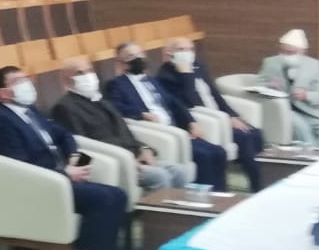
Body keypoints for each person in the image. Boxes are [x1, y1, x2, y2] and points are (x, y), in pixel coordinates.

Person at [0, 66, 129, 250]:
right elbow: (20, 167)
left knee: (118, 195)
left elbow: (63, 134)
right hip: (39, 188)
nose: (26, 83)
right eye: (17, 81)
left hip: (59, 179)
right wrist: (63, 173)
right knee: (102, 200)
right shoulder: (1, 121)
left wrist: (73, 156)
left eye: (25, 78)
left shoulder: (30, 111)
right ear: (2, 93)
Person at [50, 57, 194, 191]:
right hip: (115, 162)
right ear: (67, 80)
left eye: (90, 70)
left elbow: (124, 131)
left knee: (179, 171)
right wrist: (127, 160)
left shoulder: (102, 101)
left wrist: (143, 148)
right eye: (80, 73)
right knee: (159, 176)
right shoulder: (65, 107)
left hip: (133, 155)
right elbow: (82, 145)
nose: (88, 76)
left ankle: (180, 209)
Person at [106, 41, 228, 191]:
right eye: (131, 56)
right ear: (122, 63)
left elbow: (174, 103)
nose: (138, 58)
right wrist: (141, 114)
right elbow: (116, 107)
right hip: (159, 131)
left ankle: (221, 195)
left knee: (218, 152)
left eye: (140, 54)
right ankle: (204, 197)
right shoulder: (116, 84)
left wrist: (191, 122)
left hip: (176, 128)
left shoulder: (152, 80)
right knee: (204, 156)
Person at [158, 35, 265, 189]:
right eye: (182, 50)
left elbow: (215, 95)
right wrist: (185, 74)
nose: (188, 53)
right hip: (207, 120)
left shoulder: (198, 66)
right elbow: (189, 101)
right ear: (168, 55)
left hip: (220, 116)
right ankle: (257, 186)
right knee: (245, 136)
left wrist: (232, 115)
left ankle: (261, 180)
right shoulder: (165, 76)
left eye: (190, 49)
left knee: (256, 133)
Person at [259, 29, 319, 146]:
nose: (286, 55)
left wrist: (306, 95)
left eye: (291, 52)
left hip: (309, 111)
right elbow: (258, 85)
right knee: (302, 128)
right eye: (283, 51)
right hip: (283, 109)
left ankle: (310, 152)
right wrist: (269, 85)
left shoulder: (315, 66)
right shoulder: (271, 62)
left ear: (303, 52)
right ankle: (310, 153)